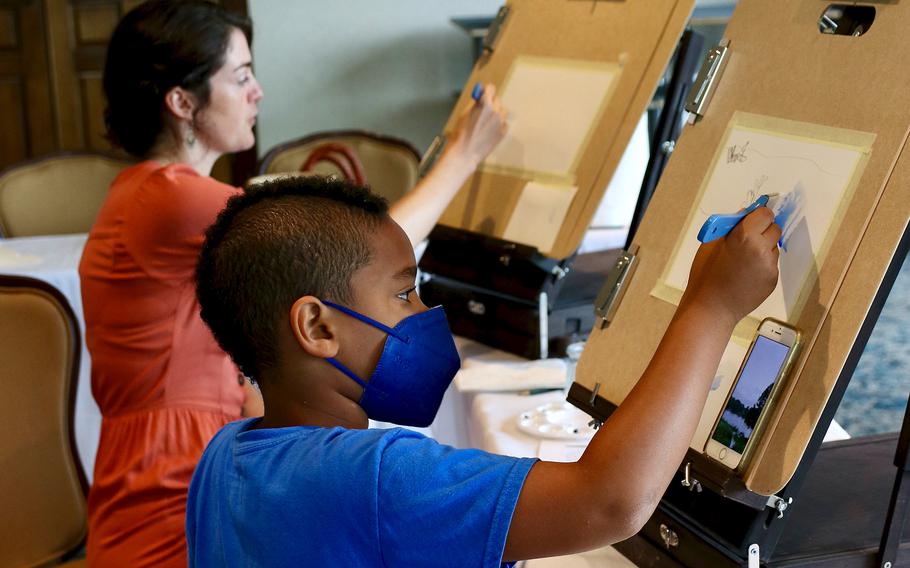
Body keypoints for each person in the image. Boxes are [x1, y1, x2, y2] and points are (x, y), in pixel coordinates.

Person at [79, 1, 507, 566]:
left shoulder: (144, 191)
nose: (257, 91)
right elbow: (355, 261)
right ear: (182, 102)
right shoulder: (170, 197)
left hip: (169, 472)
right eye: (240, 76)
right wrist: (464, 153)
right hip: (169, 490)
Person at [187, 176, 781, 566]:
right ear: (318, 328)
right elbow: (609, 501)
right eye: (404, 295)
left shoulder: (225, 456)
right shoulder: (373, 476)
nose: (425, 316)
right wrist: (712, 305)